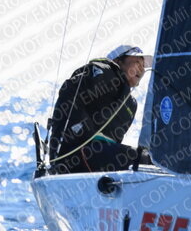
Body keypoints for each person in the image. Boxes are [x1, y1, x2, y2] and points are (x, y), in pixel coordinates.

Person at [47, 45, 153, 174]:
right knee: (144, 160)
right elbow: (68, 93)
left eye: (143, 66)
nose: (141, 69)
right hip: (77, 151)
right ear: (119, 61)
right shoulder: (102, 71)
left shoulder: (131, 103)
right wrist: (81, 130)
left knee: (149, 160)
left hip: (99, 157)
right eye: (137, 62)